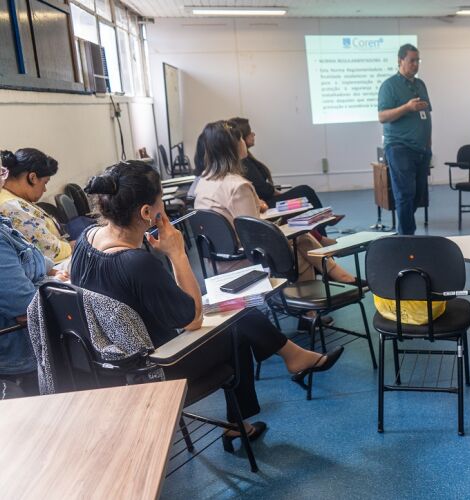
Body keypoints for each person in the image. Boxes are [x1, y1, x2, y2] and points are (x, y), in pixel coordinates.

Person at [73, 160, 344, 448]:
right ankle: (241, 420)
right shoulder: (134, 263)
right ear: (146, 212)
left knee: (240, 316)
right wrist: (177, 254)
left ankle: (289, 360)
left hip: (113, 361)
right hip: (160, 365)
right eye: (160, 202)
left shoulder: (85, 240)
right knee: (237, 325)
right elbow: (192, 319)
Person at [193, 121, 360, 284]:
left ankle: (334, 281)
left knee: (299, 237)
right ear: (234, 146)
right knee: (300, 239)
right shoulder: (238, 186)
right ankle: (336, 282)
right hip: (242, 259)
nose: (244, 142)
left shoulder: (204, 182)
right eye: (241, 139)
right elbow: (256, 236)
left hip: (215, 260)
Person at [0, 163, 50, 395]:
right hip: (17, 354)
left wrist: (45, 276)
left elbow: (39, 258)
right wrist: (48, 281)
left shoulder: (2, 222)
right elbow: (25, 305)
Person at [378, 43, 432, 235]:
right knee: (404, 194)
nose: (415, 64)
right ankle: (407, 238)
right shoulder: (389, 86)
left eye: (418, 61)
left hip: (421, 149)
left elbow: (427, 116)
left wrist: (428, 147)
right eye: (412, 60)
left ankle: (407, 231)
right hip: (399, 147)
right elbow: (382, 116)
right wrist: (406, 108)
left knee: (418, 195)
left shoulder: (420, 84)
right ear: (400, 61)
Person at [0, 149, 72, 264]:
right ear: (32, 177)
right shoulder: (11, 206)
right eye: (45, 183)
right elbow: (50, 251)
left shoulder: (13, 197)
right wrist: (72, 246)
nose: (44, 189)